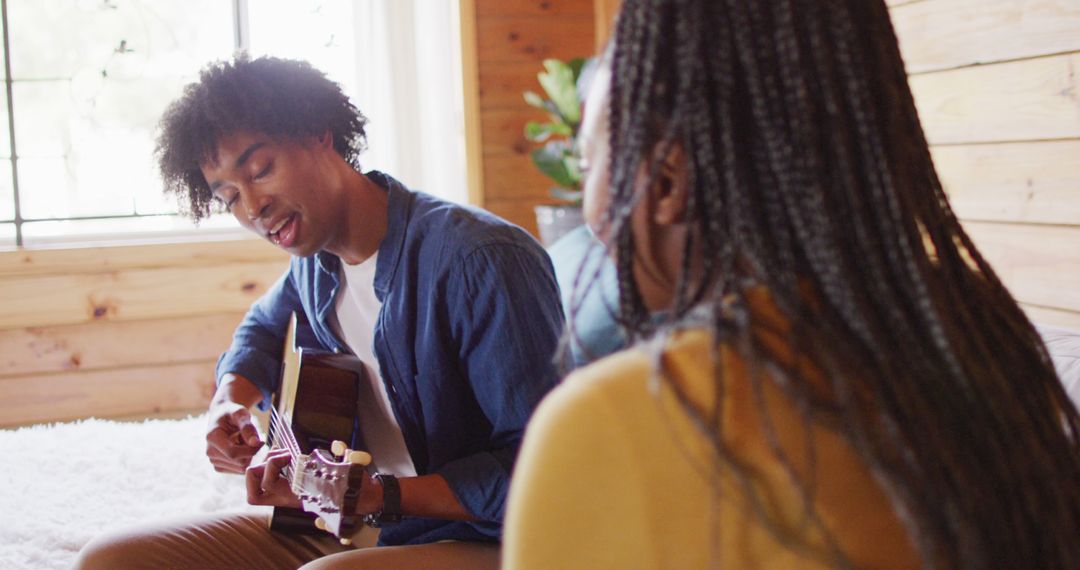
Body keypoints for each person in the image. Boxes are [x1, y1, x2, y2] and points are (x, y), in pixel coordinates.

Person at [504, 0, 1080, 568]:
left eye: (590, 165)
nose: (589, 203)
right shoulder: (994, 353)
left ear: (667, 181)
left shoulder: (614, 426)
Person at [75, 54, 564, 569]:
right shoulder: (315, 261)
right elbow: (262, 329)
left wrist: (384, 495)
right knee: (109, 560)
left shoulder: (479, 261)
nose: (252, 208)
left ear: (318, 134)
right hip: (357, 523)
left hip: (489, 538)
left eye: (261, 170)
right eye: (228, 198)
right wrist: (230, 401)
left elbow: (543, 469)